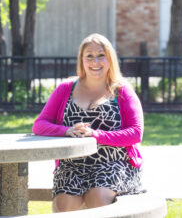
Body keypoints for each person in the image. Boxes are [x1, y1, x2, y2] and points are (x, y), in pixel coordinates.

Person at [32, 33, 144, 212]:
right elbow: (39, 125)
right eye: (89, 56)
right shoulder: (65, 89)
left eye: (101, 55)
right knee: (64, 206)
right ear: (82, 60)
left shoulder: (122, 91)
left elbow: (136, 133)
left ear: (110, 59)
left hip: (113, 163)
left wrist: (95, 134)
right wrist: (67, 131)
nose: (95, 62)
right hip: (71, 165)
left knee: (98, 200)